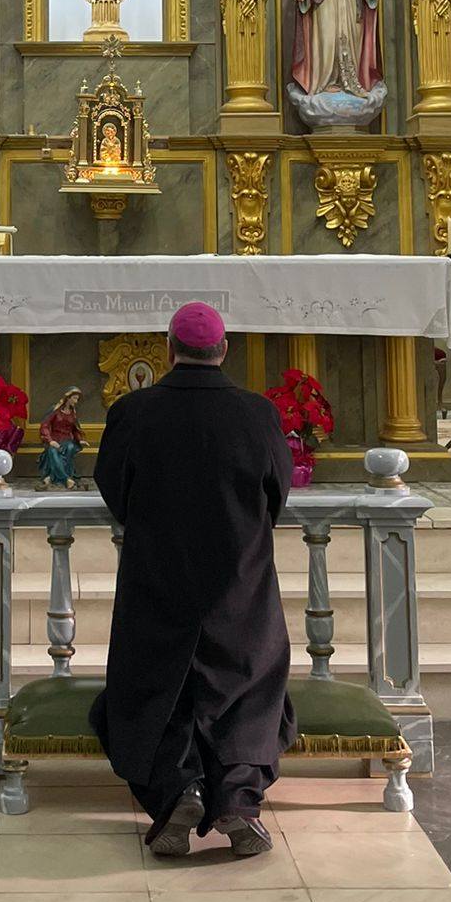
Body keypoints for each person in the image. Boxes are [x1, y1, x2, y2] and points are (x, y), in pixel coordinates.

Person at [90, 302, 296, 858]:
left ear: (168, 350)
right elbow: (277, 492)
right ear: (223, 350)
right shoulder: (257, 413)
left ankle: (177, 788)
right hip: (239, 582)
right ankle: (237, 798)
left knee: (153, 681)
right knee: (247, 681)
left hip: (158, 578)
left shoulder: (133, 411)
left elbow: (115, 490)